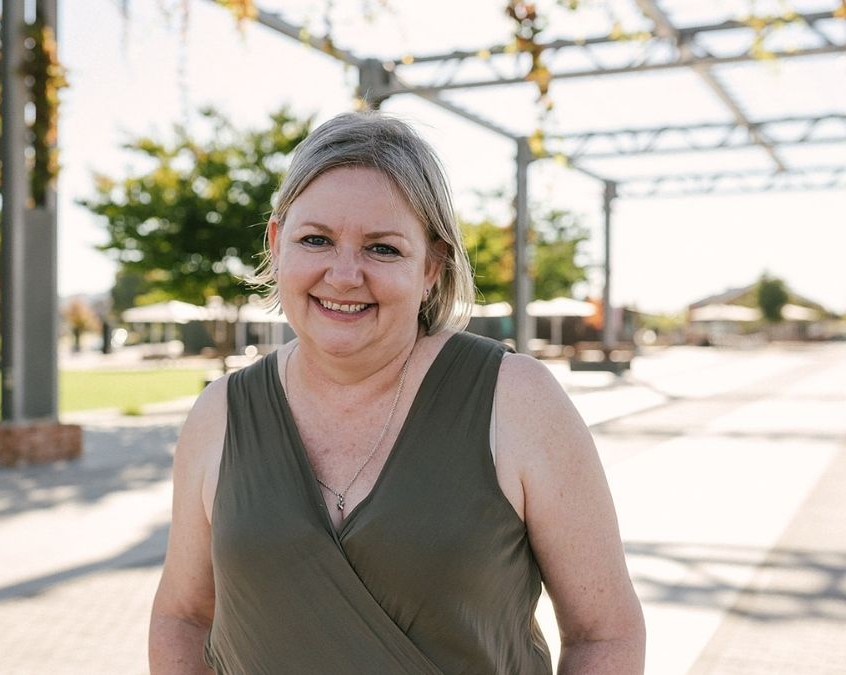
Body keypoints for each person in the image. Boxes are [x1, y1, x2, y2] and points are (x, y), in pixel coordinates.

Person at [149, 111, 645, 674]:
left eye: (382, 249)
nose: (343, 274)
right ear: (276, 242)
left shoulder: (518, 400)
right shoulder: (220, 413)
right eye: (315, 240)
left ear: (432, 266)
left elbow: (605, 634)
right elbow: (183, 617)